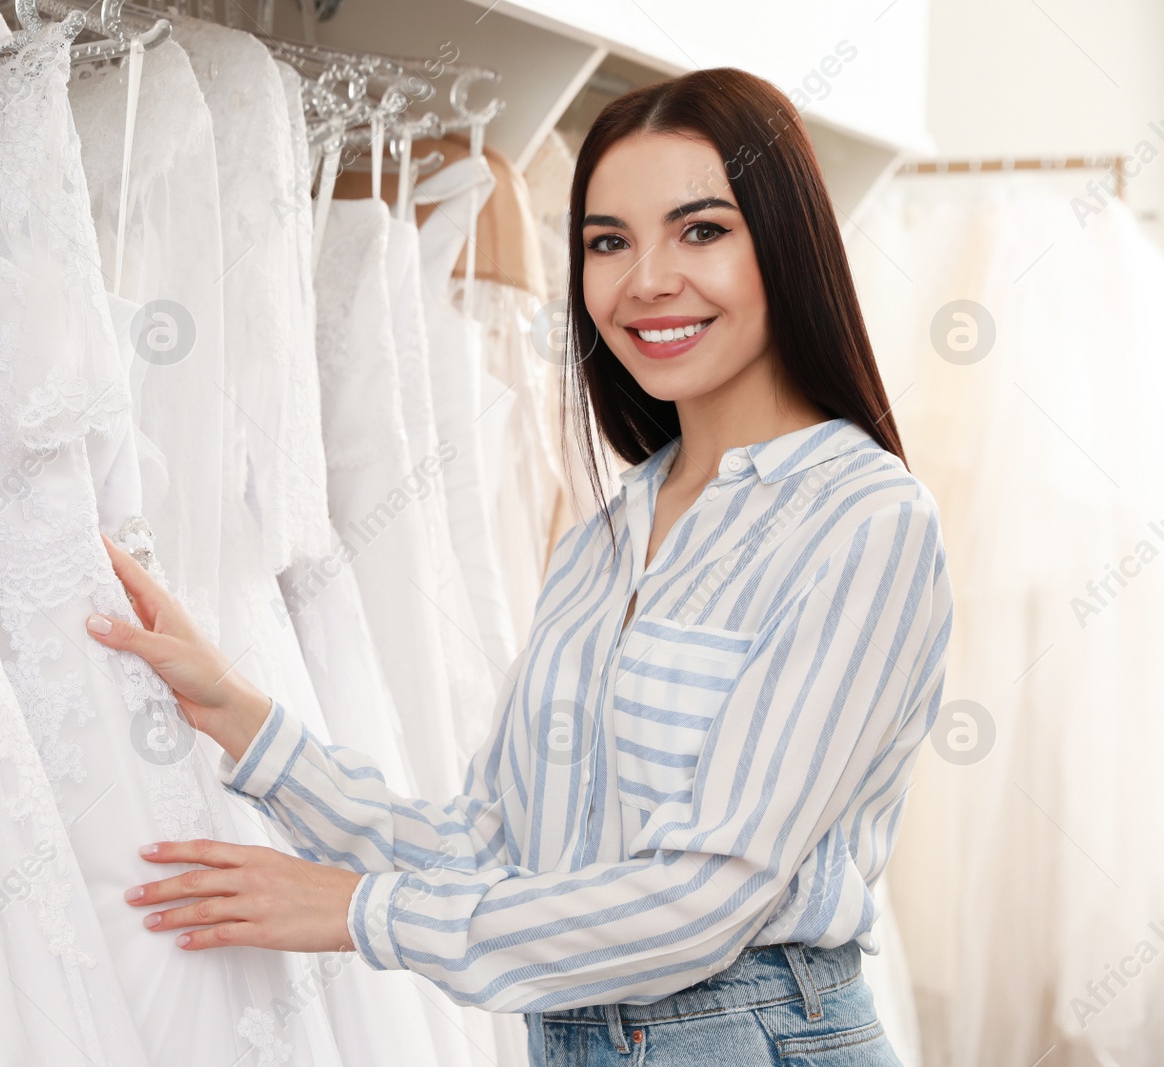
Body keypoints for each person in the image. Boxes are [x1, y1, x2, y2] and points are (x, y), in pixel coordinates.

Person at [85, 66, 952, 1065]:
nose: (647, 279)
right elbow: (495, 851)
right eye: (606, 242)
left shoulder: (864, 520)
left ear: (786, 247)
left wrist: (362, 912)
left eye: (700, 230)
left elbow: (706, 896)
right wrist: (238, 713)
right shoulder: (606, 536)